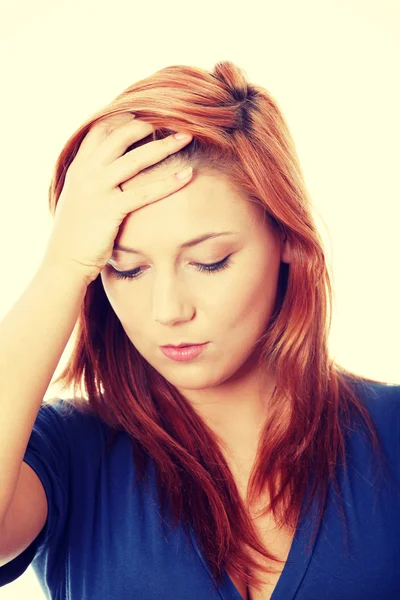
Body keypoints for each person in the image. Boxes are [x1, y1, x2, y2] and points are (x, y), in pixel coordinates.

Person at [0, 61, 399, 600]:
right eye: (128, 269)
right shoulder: (64, 454)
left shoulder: (390, 431)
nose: (167, 310)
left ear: (287, 240)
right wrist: (61, 267)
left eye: (210, 262)